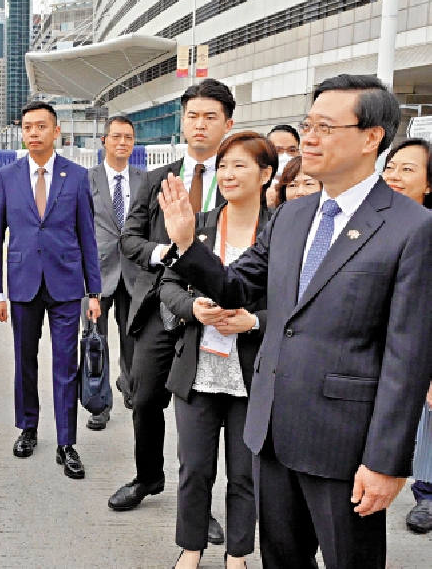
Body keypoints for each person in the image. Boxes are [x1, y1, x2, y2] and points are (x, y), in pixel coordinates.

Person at [157, 74, 432, 568]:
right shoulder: (291, 217)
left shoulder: (412, 228)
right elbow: (236, 288)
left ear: (371, 138)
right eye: (308, 125)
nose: (310, 138)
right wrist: (186, 245)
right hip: (273, 434)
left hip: (346, 446)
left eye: (326, 127)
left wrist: (386, 461)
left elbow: (407, 356)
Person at [112, 79, 231, 554]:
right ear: (182, 122)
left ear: (228, 124)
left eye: (210, 117)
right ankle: (148, 476)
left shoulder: (236, 177)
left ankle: (199, 506)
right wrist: (166, 252)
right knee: (144, 398)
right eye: (192, 116)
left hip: (215, 311)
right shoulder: (156, 179)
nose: (200, 125)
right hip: (161, 307)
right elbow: (129, 239)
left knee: (199, 413)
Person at [160, 132, 276, 569]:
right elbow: (168, 285)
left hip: (252, 374)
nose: (228, 174)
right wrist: (192, 308)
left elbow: (297, 304)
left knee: (244, 474)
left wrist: (255, 322)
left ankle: (238, 554)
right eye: (223, 165)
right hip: (199, 369)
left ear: (265, 174)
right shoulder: (199, 225)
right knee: (194, 469)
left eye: (239, 165)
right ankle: (190, 548)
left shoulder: (280, 232)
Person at [0, 100, 102, 480]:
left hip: (66, 285)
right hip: (22, 285)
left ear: (56, 132)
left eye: (41, 126)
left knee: (66, 365)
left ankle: (66, 443)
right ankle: (28, 427)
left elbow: (88, 236)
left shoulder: (76, 177)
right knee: (25, 361)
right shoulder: (7, 177)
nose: (33, 133)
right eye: (27, 127)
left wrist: (94, 292)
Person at [380, 138, 432, 534]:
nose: (395, 176)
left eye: (408, 169)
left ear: (429, 184)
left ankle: (427, 494)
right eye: (391, 167)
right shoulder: (371, 223)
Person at [84, 115, 142, 428]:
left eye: (128, 137)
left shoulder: (144, 180)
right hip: (96, 273)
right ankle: (99, 403)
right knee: (97, 341)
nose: (122, 142)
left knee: (133, 338)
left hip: (135, 273)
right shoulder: (86, 179)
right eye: (116, 136)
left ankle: (129, 384)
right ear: (104, 141)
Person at [265, 124, 301, 207]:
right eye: (278, 150)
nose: (285, 156)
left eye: (292, 150)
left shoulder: (311, 181)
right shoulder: (256, 185)